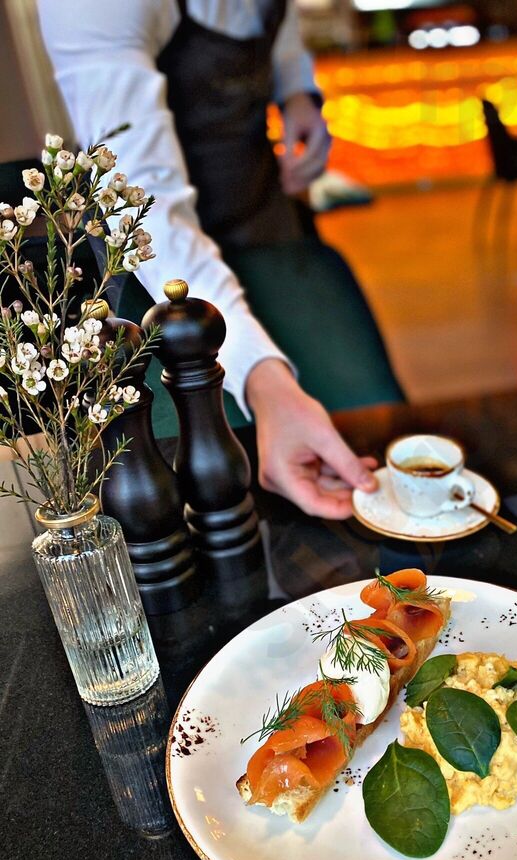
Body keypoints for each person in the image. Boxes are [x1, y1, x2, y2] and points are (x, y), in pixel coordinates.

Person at [36, 0, 401, 519]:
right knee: (205, 478)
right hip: (155, 262)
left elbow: (279, 22)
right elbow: (145, 208)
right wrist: (266, 382)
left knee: (364, 415)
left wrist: (296, 90)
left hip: (261, 209)